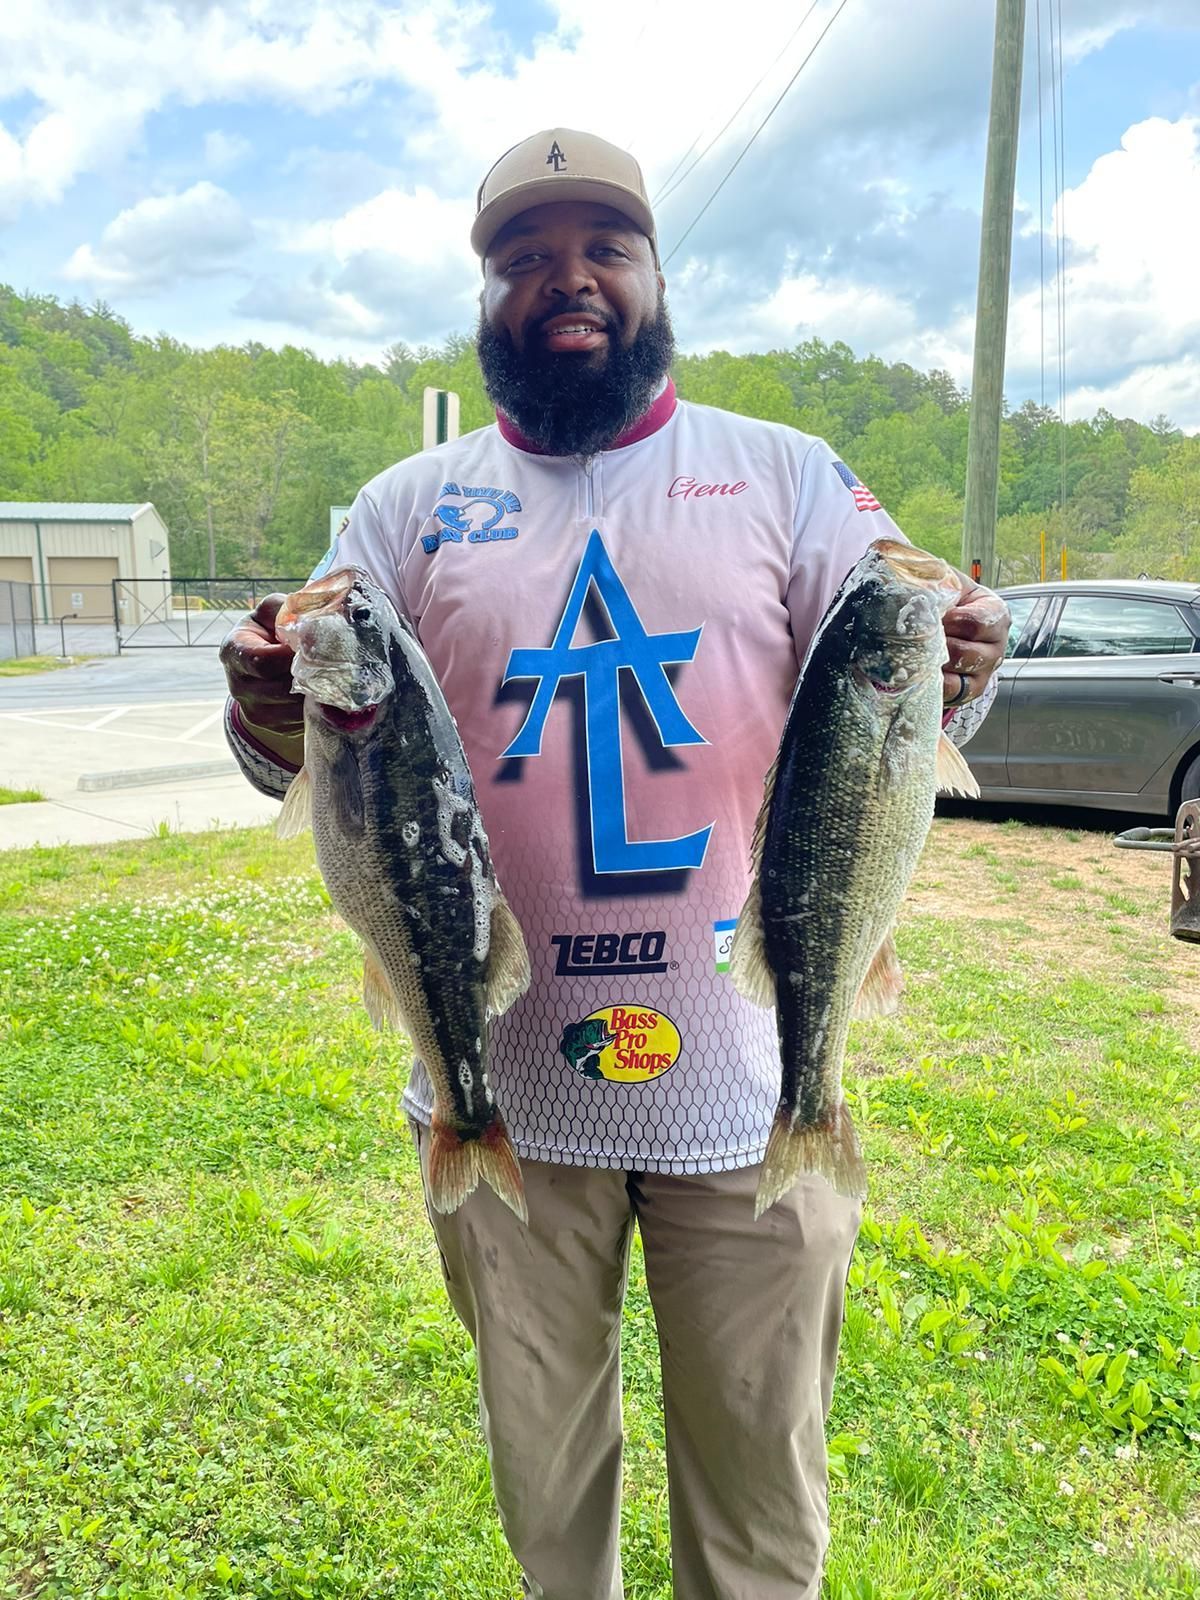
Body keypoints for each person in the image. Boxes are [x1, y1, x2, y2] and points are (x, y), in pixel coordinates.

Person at [221, 128, 1008, 1600]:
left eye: (603, 248)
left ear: (654, 273)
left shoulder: (791, 475)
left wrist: (970, 649)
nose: (565, 280)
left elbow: (915, 682)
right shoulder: (401, 506)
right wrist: (259, 691)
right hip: (503, 1079)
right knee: (549, 1490)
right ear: (485, 295)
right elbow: (302, 738)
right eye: (523, 257)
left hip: (751, 1067)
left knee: (761, 1500)